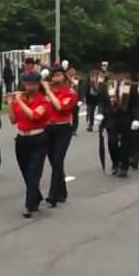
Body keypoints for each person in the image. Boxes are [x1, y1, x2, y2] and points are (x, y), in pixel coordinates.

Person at [11, 72, 50, 217]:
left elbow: (34, 115)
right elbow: (13, 120)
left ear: (38, 85)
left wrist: (19, 101)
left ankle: (30, 205)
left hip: (38, 138)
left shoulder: (43, 101)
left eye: (33, 84)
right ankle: (36, 195)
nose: (29, 87)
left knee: (34, 172)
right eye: (27, 84)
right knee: (26, 172)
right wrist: (11, 104)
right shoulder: (20, 99)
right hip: (22, 139)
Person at [41, 65, 77, 205]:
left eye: (59, 75)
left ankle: (53, 194)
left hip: (63, 129)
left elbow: (61, 107)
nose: (56, 78)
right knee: (54, 162)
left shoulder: (70, 92)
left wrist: (48, 91)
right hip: (48, 128)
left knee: (57, 159)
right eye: (54, 75)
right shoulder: (46, 91)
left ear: (64, 77)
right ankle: (62, 191)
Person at [99, 63, 139, 178]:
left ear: (124, 74)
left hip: (126, 117)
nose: (118, 76)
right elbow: (102, 102)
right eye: (116, 74)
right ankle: (115, 162)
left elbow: (136, 104)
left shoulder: (131, 86)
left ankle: (124, 166)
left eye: (120, 74)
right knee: (112, 141)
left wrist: (137, 119)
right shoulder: (106, 86)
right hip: (111, 117)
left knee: (126, 143)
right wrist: (100, 114)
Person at [83, 68, 103, 133]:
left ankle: (101, 126)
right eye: (94, 73)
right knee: (91, 112)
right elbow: (86, 87)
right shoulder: (89, 79)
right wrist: (84, 97)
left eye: (97, 73)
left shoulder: (101, 78)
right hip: (91, 98)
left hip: (100, 97)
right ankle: (90, 125)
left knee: (100, 111)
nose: (95, 74)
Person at [67, 67, 83, 133]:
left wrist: (81, 99)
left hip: (76, 99)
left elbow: (81, 90)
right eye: (70, 71)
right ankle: (68, 128)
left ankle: (74, 129)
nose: (72, 72)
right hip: (67, 99)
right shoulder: (65, 79)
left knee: (75, 115)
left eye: (73, 71)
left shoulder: (78, 79)